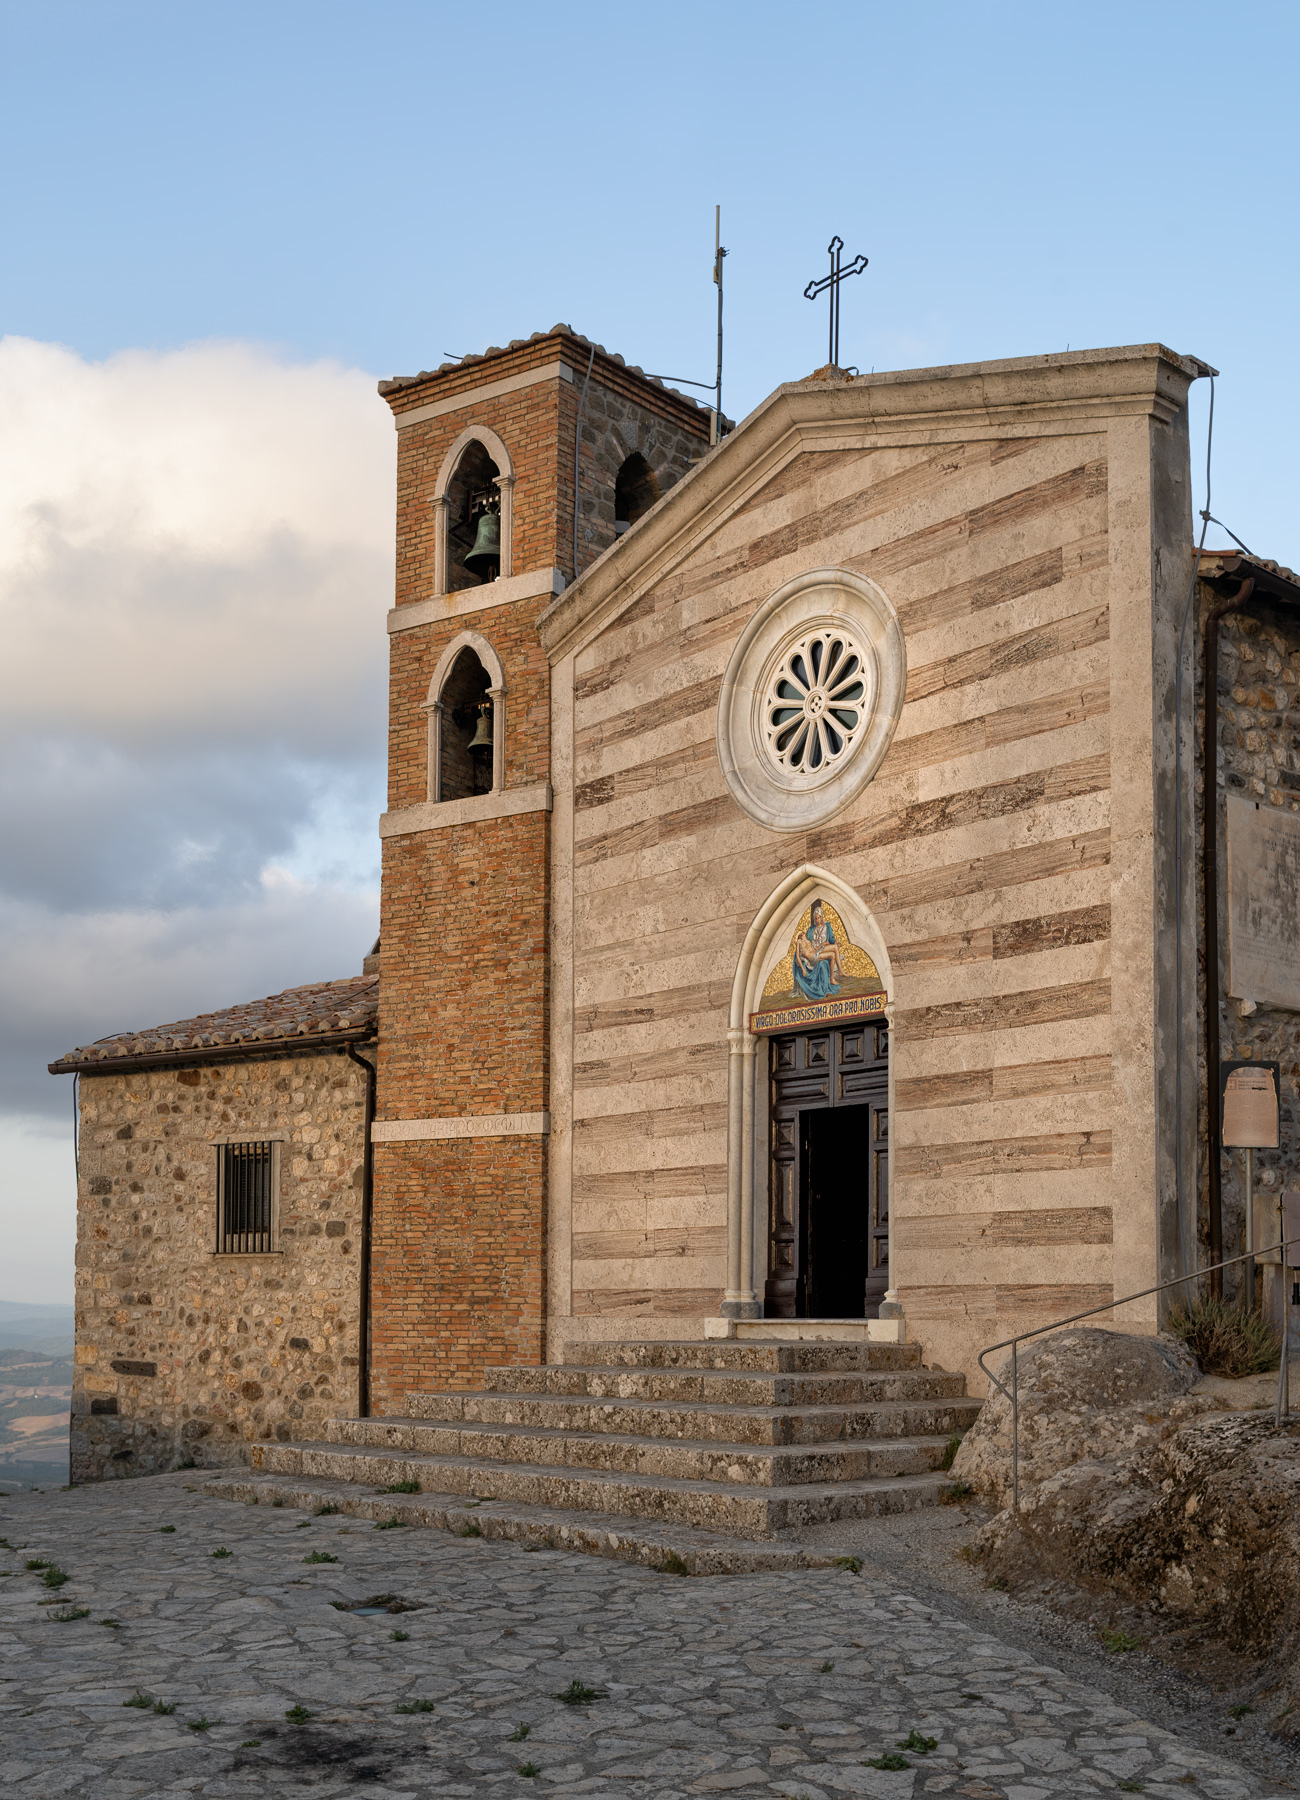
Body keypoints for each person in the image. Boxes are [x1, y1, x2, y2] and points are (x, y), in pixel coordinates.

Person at [793, 900, 846, 1000]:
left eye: (818, 918)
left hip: (819, 949)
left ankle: (840, 972)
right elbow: (800, 954)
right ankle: (834, 976)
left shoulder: (827, 926)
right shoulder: (807, 934)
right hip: (815, 954)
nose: (817, 920)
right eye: (815, 918)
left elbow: (830, 939)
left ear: (821, 917)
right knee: (832, 954)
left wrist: (832, 942)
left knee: (834, 948)